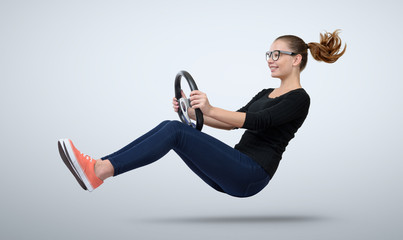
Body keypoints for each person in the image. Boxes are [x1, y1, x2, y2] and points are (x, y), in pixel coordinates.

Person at [58, 30, 346, 197]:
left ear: (296, 59)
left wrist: (208, 108)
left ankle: (99, 170)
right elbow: (233, 122)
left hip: (251, 175)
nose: (270, 60)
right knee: (173, 127)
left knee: (174, 132)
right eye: (268, 54)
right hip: (235, 170)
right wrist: (196, 114)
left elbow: (257, 122)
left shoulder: (300, 99)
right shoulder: (264, 93)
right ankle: (98, 167)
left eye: (276, 54)